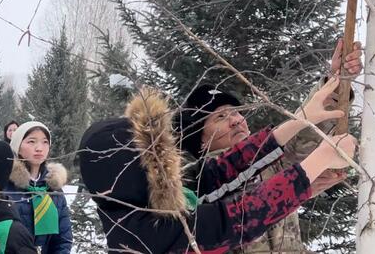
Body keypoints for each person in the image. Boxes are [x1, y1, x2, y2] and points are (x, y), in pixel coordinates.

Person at [79, 87, 357, 253]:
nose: (168, 166)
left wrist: (301, 119)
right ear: (132, 174)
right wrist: (317, 162)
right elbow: (242, 217)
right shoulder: (145, 232)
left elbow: (224, 170)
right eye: (157, 160)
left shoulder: (149, 202)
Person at [177, 39, 363, 253]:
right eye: (221, 117)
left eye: (236, 112)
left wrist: (336, 82)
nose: (236, 120)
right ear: (200, 139)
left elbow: (304, 135)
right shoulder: (197, 186)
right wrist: (305, 183)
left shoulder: (271, 161)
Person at [6, 121, 72, 253]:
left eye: (45, 142)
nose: (39, 148)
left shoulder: (54, 189)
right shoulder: (5, 187)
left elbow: (63, 239)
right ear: (17, 146)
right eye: (31, 141)